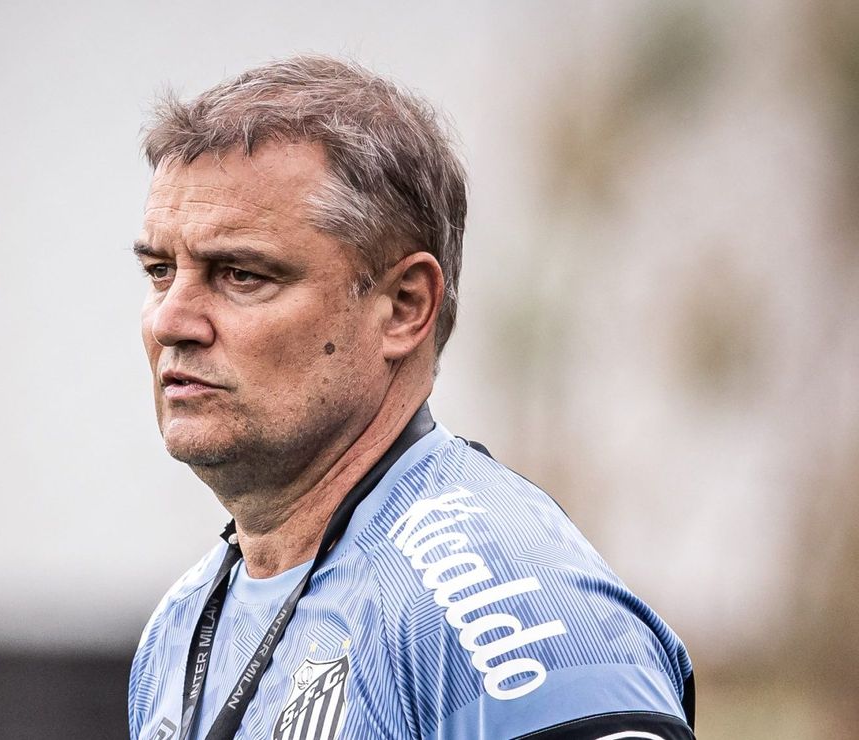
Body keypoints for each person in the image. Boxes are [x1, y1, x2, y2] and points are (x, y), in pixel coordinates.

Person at [127, 55, 695, 740]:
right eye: (161, 271)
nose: (171, 321)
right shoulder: (180, 627)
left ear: (403, 307)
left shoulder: (501, 607)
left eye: (242, 275)